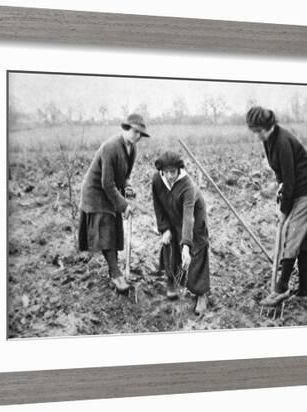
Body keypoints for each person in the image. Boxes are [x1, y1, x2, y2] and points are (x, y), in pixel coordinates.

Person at [246, 106, 307, 306]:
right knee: (303, 239)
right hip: (298, 190)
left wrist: (284, 211)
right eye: (254, 131)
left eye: (259, 131)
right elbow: (281, 175)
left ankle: (281, 288)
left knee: (291, 234)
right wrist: (281, 198)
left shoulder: (282, 141)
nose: (257, 136)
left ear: (269, 126)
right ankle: (303, 291)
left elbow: (290, 180)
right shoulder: (268, 140)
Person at [78, 113, 149, 292]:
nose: (137, 136)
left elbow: (124, 177)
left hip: (109, 190)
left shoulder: (132, 149)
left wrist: (128, 186)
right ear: (125, 129)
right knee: (106, 231)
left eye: (140, 133)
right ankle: (115, 274)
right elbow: (106, 183)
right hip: (96, 192)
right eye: (135, 131)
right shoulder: (111, 147)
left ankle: (115, 270)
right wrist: (124, 205)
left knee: (114, 230)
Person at [151, 151, 210, 315]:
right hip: (171, 213)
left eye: (173, 172)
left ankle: (201, 293)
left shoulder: (187, 186)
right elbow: (158, 205)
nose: (170, 176)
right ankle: (171, 280)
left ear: (179, 170)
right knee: (169, 241)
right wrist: (165, 228)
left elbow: (188, 217)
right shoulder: (157, 180)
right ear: (161, 170)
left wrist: (186, 245)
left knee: (196, 249)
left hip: (194, 217)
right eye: (167, 172)